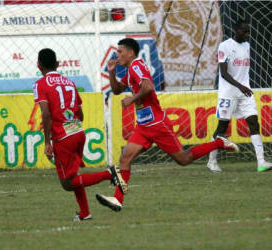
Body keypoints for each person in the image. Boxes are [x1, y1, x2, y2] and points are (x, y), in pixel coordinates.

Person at [95, 38, 239, 212]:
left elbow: (148, 87)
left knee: (183, 160)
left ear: (130, 52)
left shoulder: (136, 66)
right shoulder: (130, 69)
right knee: (125, 158)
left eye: (120, 51)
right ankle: (118, 200)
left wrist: (131, 99)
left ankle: (219, 142)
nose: (117, 55)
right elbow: (117, 90)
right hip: (143, 125)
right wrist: (111, 72)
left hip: (156, 123)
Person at [33, 48, 126, 221]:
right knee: (74, 175)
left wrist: (47, 142)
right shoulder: (69, 82)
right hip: (78, 133)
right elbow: (80, 115)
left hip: (63, 137)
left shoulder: (40, 84)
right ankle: (85, 214)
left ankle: (109, 174)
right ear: (58, 64)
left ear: (38, 65)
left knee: (68, 184)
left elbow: (46, 114)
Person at [207, 19, 272, 173]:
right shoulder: (225, 46)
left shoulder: (246, 46)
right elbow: (223, 73)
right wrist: (240, 86)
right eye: (244, 31)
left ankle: (261, 162)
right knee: (221, 128)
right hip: (228, 93)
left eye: (248, 31)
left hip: (245, 92)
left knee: (253, 122)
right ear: (236, 30)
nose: (247, 34)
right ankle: (211, 161)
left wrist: (244, 87)